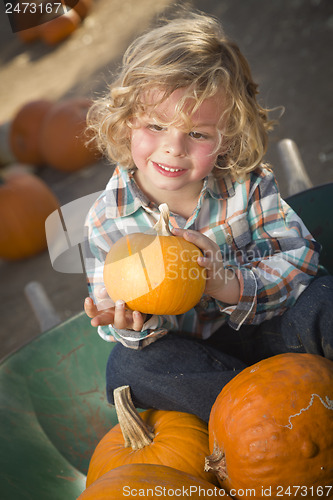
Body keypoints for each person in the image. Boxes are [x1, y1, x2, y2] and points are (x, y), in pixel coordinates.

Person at [83, 10, 333, 423]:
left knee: (324, 299)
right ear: (127, 121)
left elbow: (299, 257)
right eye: (156, 125)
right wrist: (126, 323)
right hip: (200, 363)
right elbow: (119, 316)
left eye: (198, 134)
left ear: (227, 136)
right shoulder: (107, 219)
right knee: (127, 368)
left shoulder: (243, 185)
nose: (173, 147)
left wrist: (225, 283)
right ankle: (263, 418)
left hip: (270, 330)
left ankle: (278, 404)